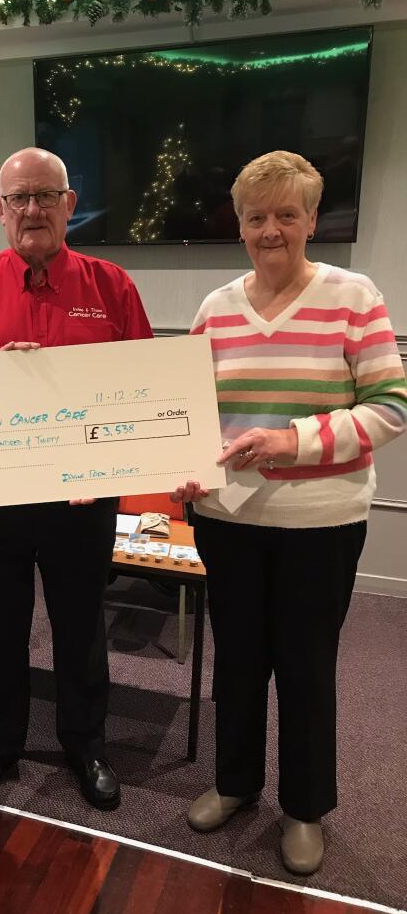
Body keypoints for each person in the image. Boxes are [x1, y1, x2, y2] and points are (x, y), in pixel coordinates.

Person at [171, 151, 406, 874]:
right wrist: (180, 467)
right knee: (237, 662)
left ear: (312, 220)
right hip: (229, 520)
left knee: (306, 668)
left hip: (320, 524)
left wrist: (291, 441)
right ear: (239, 225)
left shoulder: (353, 296)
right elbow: (186, 411)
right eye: (255, 217)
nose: (269, 229)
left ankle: (304, 807)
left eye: (286, 214)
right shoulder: (215, 308)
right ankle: (236, 783)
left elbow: (391, 407)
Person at [0, 147, 153, 809]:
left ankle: (86, 745)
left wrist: (119, 465)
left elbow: (143, 388)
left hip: (83, 497)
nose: (32, 209)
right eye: (19, 198)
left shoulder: (112, 287)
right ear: (0, 210)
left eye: (46, 195)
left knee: (81, 626)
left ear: (69, 205)